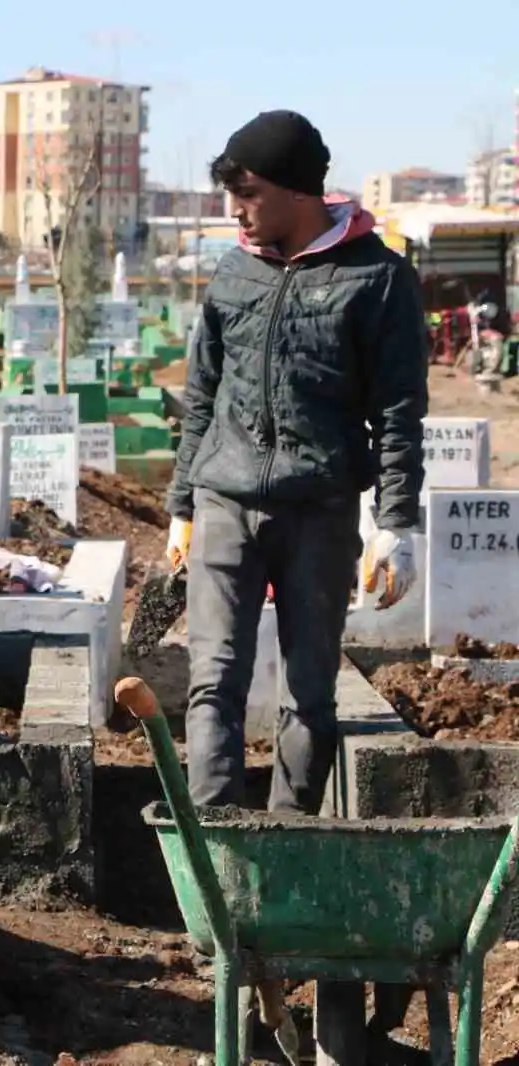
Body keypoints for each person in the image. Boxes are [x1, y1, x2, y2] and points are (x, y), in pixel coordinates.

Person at [165, 110, 427, 817]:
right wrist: (183, 504)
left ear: (298, 191)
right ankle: (216, 845)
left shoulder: (377, 278)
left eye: (248, 195)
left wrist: (398, 523)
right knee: (213, 680)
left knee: (309, 693)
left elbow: (399, 409)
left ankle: (287, 840)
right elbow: (203, 394)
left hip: (320, 510)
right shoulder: (234, 271)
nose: (236, 212)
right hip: (223, 502)